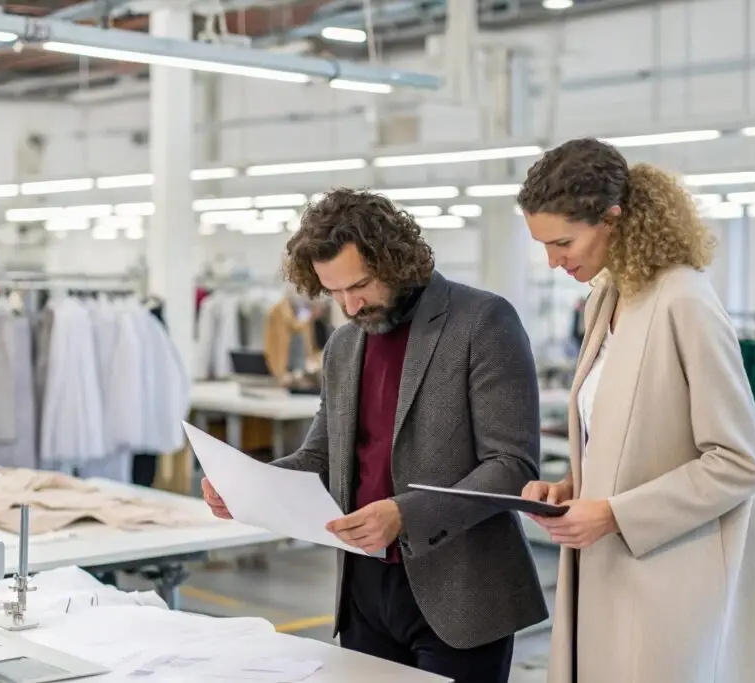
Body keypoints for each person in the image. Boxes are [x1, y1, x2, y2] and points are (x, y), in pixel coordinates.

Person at [202, 188, 546, 683]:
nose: (349, 304)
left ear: (397, 259)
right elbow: (322, 455)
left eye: (359, 284)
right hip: (363, 590)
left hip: (460, 588)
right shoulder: (344, 344)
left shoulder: (482, 322)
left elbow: (512, 465)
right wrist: (247, 484)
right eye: (333, 291)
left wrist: (407, 514)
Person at [517, 138, 755, 683]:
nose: (553, 260)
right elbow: (621, 432)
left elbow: (738, 462)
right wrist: (572, 486)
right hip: (605, 567)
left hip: (673, 577)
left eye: (563, 241)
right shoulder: (607, 299)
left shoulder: (685, 300)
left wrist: (615, 512)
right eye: (544, 245)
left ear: (613, 218)